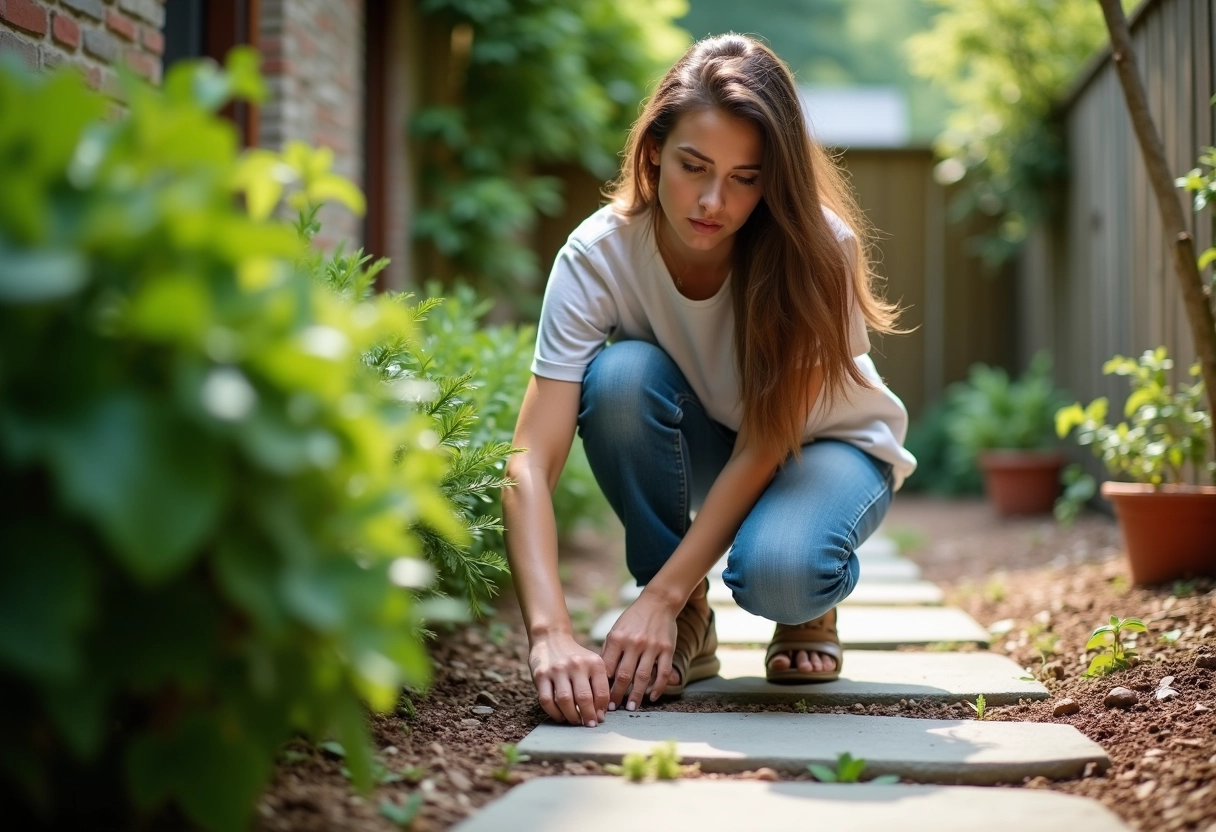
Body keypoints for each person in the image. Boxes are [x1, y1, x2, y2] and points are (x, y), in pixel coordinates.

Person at [502, 33, 917, 729]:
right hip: (708, 437)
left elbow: (765, 444)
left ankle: (805, 606)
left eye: (745, 178)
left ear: (773, 179)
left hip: (824, 448)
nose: (713, 201)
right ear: (654, 151)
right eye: (693, 166)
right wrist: (550, 634)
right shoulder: (599, 256)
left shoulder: (818, 250)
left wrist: (654, 599)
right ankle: (689, 616)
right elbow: (528, 462)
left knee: (782, 576)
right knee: (621, 377)